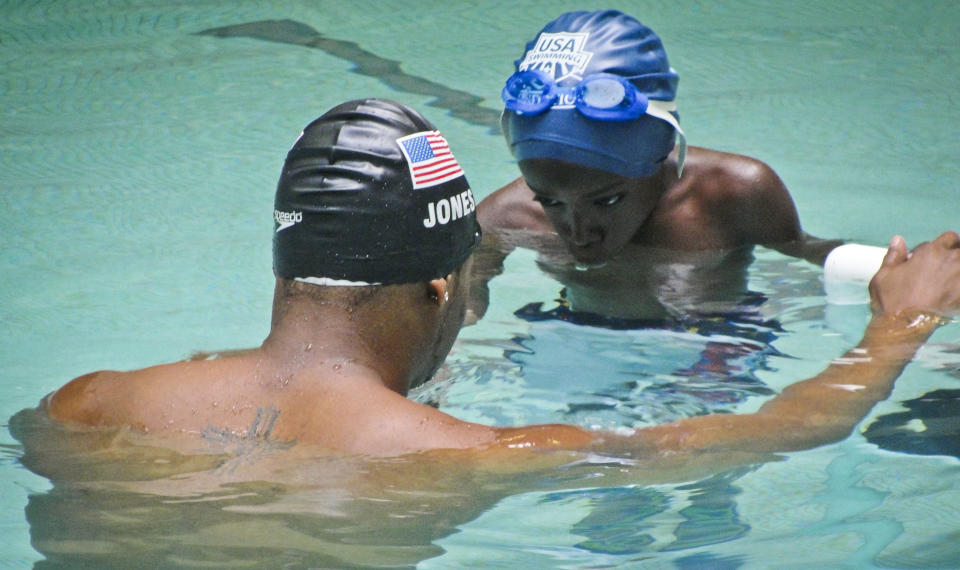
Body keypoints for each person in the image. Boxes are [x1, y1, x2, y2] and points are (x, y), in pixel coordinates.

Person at [40, 98, 960, 461]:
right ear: (444, 285)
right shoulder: (450, 456)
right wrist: (898, 329)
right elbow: (765, 436)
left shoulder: (83, 406)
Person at [473, 10, 842, 322]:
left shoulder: (734, 194)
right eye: (549, 201)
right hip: (579, 328)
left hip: (720, 333)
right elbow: (454, 304)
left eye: (607, 201)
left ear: (659, 154)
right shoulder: (508, 215)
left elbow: (808, 252)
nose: (580, 232)